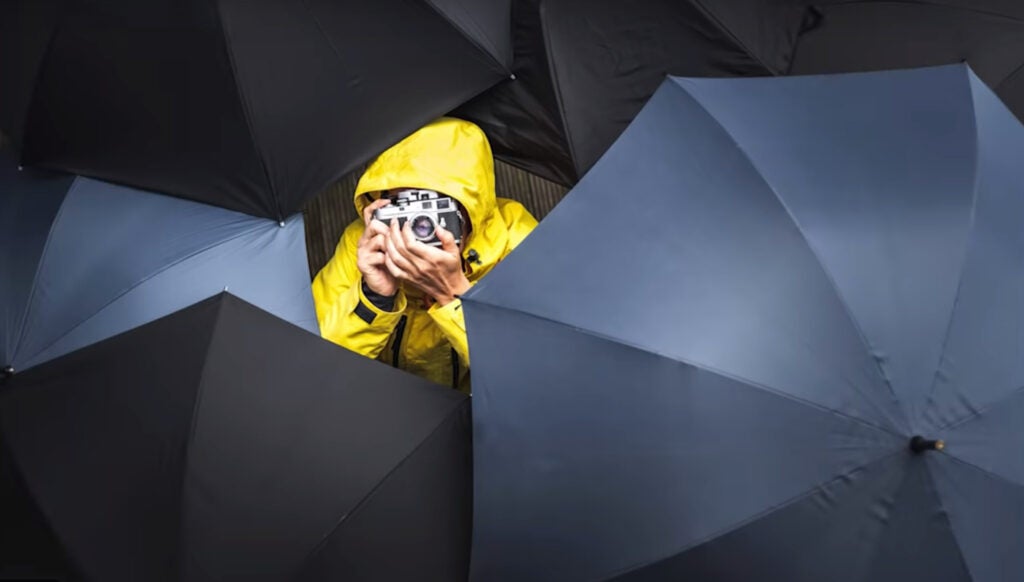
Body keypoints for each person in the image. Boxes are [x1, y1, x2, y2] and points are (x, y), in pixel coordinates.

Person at [312, 117, 538, 392]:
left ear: (472, 207)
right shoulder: (364, 243)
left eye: (435, 210)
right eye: (403, 209)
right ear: (382, 202)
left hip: (484, 409)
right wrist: (374, 297)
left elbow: (533, 380)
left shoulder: (517, 244)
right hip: (386, 403)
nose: (420, 228)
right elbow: (315, 368)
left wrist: (454, 294)